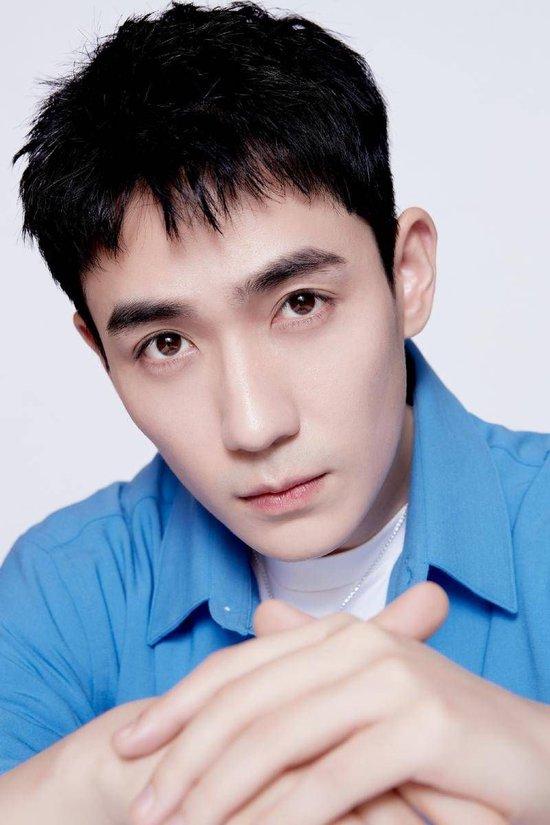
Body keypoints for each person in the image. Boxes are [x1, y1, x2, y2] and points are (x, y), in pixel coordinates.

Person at [2, 2, 550, 823]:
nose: (254, 425)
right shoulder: (64, 589)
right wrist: (104, 779)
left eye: (300, 303)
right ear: (101, 353)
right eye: (165, 344)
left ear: (406, 275)